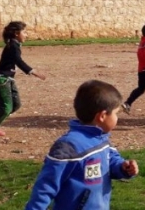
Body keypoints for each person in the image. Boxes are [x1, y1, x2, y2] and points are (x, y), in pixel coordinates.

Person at [25, 80, 138, 210]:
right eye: (116, 113)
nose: (117, 118)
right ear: (102, 116)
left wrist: (123, 167)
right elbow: (45, 187)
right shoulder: (68, 147)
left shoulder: (101, 138)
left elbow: (110, 159)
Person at [0, 21, 46, 137]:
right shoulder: (13, 46)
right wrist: (33, 71)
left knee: (16, 105)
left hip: (8, 79)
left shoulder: (15, 44)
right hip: (1, 80)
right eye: (25, 32)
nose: (27, 35)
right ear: (17, 33)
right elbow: (18, 61)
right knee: (6, 108)